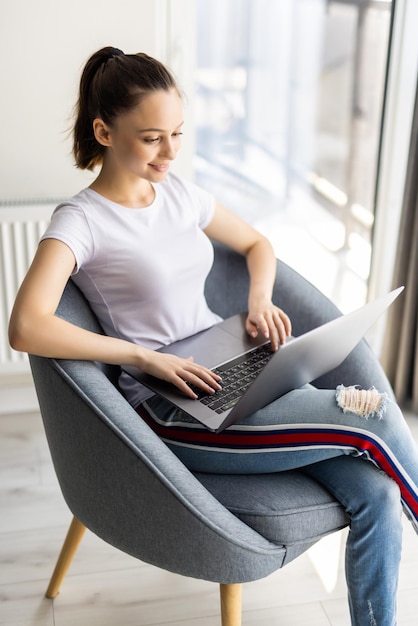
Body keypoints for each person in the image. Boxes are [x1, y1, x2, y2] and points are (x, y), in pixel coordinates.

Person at [8, 46, 418, 626]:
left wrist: (258, 299)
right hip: (175, 406)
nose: (171, 151)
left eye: (177, 132)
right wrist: (137, 357)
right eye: (152, 138)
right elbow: (26, 326)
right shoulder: (81, 220)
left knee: (376, 493)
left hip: (240, 367)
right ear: (103, 130)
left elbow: (257, 244)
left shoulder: (177, 194)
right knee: (370, 416)